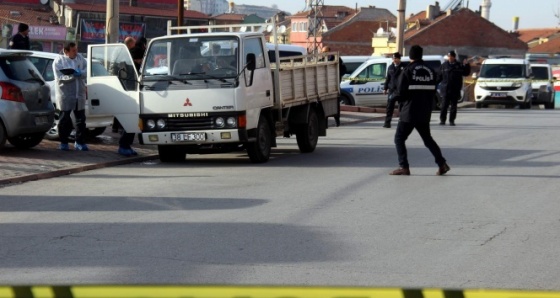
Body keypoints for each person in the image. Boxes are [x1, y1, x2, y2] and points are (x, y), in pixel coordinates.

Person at [390, 45, 449, 176]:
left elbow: (400, 92)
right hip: (425, 111)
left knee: (399, 138)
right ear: (421, 55)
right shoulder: (430, 71)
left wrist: (393, 100)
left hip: (409, 112)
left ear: (410, 56)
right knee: (428, 139)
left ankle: (403, 167)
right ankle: (442, 164)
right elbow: (433, 90)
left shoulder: (408, 70)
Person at [53, 42, 88, 151]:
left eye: (76, 49)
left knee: (81, 120)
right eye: (73, 50)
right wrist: (72, 75)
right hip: (66, 94)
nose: (76, 52)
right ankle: (64, 142)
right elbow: (60, 77)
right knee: (64, 120)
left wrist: (80, 73)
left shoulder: (80, 58)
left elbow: (87, 71)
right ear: (66, 51)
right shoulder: (59, 61)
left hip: (79, 93)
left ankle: (79, 141)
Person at [117, 37, 142, 157]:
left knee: (131, 123)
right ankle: (124, 145)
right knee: (131, 122)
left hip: (130, 94)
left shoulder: (124, 60)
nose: (141, 61)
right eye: (140, 60)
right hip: (131, 94)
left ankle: (126, 145)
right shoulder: (131, 67)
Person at [438, 50, 470, 126]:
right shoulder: (444, 65)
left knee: (453, 106)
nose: (450, 58)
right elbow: (439, 76)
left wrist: (467, 65)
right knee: (444, 106)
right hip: (445, 89)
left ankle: (451, 120)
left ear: (454, 57)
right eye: (449, 56)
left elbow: (466, 73)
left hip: (455, 89)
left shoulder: (459, 65)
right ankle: (442, 120)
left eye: (451, 57)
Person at [321, 45, 345, 127]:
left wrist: (337, 76)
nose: (324, 53)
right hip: (325, 86)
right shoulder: (322, 60)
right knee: (325, 106)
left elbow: (344, 70)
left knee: (335, 106)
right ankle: (325, 124)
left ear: (329, 51)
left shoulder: (336, 59)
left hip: (334, 86)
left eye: (325, 52)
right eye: (323, 52)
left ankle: (337, 122)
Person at [382, 52, 403, 128]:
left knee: (402, 107)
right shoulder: (390, 67)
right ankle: (387, 123)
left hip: (401, 90)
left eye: (396, 58)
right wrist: (385, 88)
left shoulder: (404, 67)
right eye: (393, 58)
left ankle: (402, 123)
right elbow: (388, 78)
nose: (394, 60)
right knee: (389, 107)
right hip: (392, 90)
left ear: (399, 59)